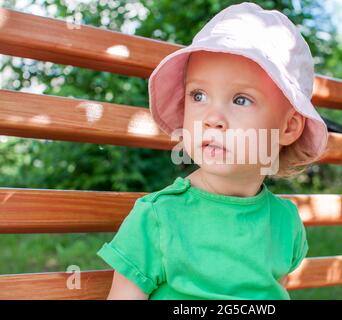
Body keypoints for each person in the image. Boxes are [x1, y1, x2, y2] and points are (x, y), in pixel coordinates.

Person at [97, 1, 328, 300]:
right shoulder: (158, 218)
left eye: (241, 100)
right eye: (198, 95)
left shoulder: (285, 223)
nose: (212, 119)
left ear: (288, 128)